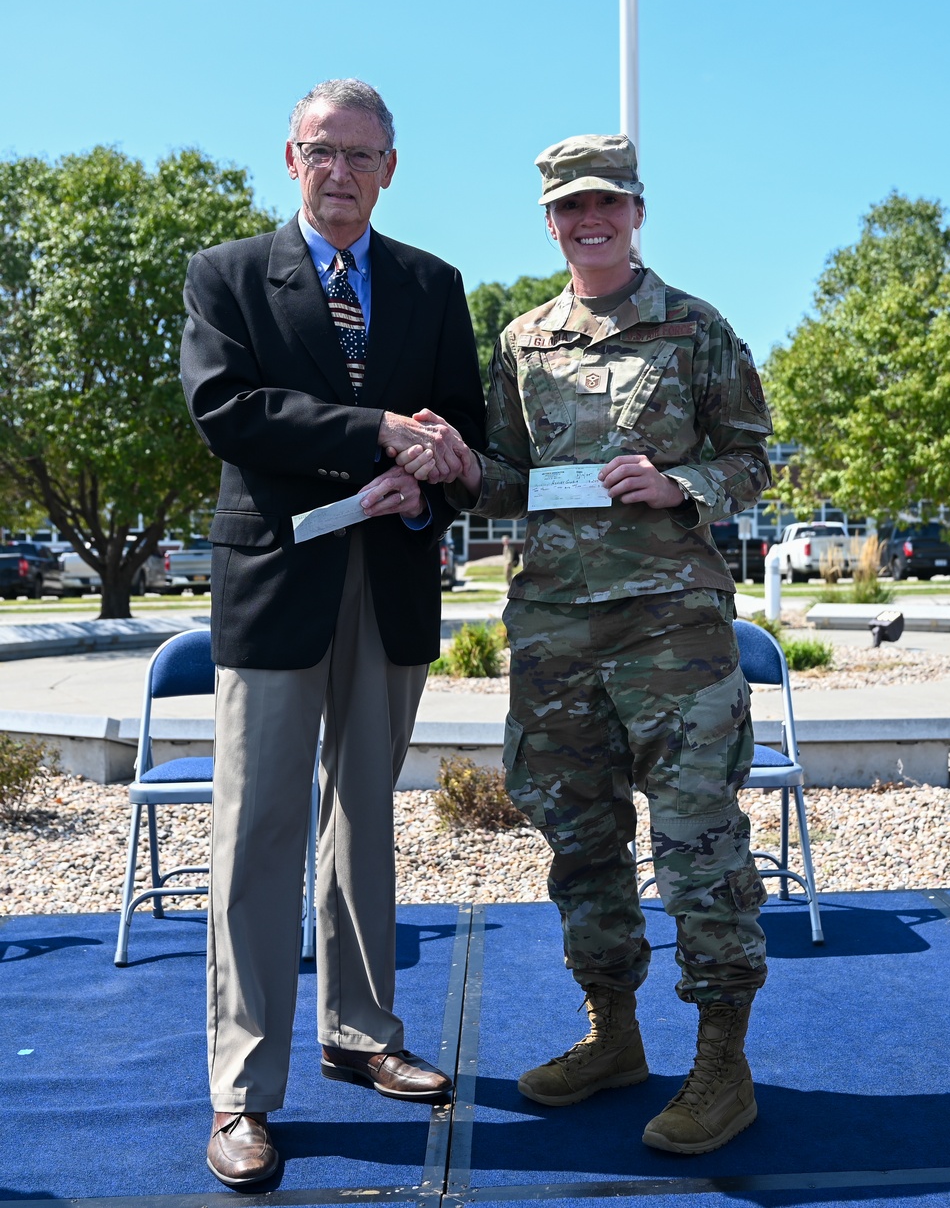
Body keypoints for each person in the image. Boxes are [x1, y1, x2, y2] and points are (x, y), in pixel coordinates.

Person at [401, 134, 773, 1155]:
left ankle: (722, 1059)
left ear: (636, 210)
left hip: (672, 634)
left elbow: (754, 456)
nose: (587, 220)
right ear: (549, 222)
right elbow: (512, 475)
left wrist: (682, 484)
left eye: (604, 201)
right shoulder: (523, 340)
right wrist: (457, 465)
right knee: (581, 841)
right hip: (556, 630)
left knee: (697, 839)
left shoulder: (696, 329)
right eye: (568, 207)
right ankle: (613, 1031)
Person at [179, 79, 485, 1187]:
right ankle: (242, 1088)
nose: (341, 170)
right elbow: (229, 408)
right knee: (257, 833)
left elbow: (466, 441)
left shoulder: (431, 284)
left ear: (391, 168)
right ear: (290, 157)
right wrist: (377, 433)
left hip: (389, 579)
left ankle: (360, 1031)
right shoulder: (224, 276)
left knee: (366, 818)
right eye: (322, 149)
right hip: (278, 581)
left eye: (362, 153)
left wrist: (432, 484)